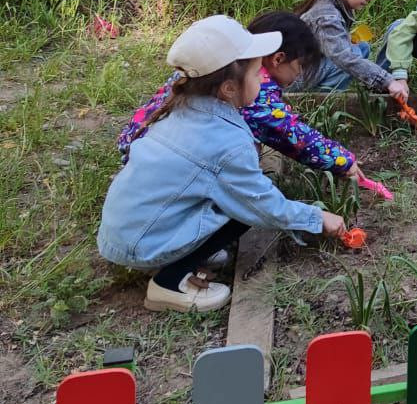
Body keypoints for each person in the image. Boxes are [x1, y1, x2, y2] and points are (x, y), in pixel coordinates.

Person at [97, 16, 345, 312]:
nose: (261, 81)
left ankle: (178, 253)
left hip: (126, 230)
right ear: (228, 88)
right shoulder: (226, 142)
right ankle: (169, 283)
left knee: (232, 196)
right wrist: (316, 218)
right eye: (256, 75)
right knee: (242, 210)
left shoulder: (183, 105)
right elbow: (261, 204)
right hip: (142, 243)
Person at [117, 11, 363, 181]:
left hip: (142, 148)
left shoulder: (217, 61)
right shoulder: (248, 83)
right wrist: (342, 160)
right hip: (170, 171)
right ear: (278, 59)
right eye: (299, 67)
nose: (298, 77)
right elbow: (288, 132)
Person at [294, 0, 407, 100]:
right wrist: (388, 80)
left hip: (310, 67)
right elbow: (345, 58)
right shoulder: (326, 15)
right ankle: (321, 101)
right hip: (294, 76)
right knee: (353, 55)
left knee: (362, 47)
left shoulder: (334, 1)